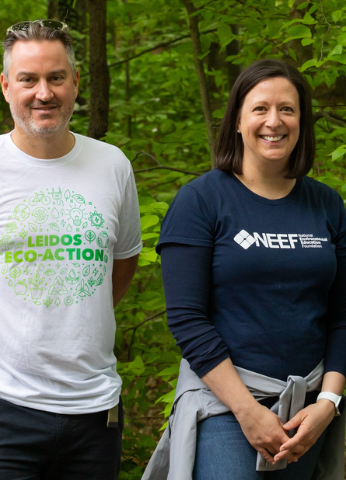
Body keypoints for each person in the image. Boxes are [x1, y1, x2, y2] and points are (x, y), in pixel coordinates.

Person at [143, 59, 346, 480]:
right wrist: (248, 412)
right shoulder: (200, 201)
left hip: (307, 411)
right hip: (224, 407)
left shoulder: (326, 204)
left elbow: (344, 317)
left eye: (288, 109)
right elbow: (187, 319)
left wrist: (327, 404)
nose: (274, 121)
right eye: (260, 108)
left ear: (302, 122)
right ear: (238, 121)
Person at [0, 20, 142, 479]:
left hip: (95, 409)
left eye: (56, 78)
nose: (44, 93)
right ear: (6, 86)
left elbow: (122, 265)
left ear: (76, 82)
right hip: (7, 407)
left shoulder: (112, 164)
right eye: (28, 79)